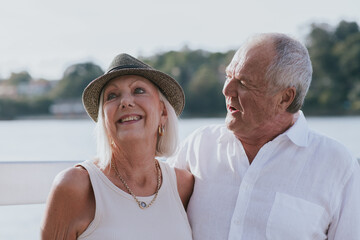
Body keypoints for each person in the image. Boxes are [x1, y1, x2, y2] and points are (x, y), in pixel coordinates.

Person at [169, 33, 360, 239]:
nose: (227, 90)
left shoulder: (338, 166)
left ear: (285, 98)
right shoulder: (198, 147)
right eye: (228, 76)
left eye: (243, 82)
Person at [41, 53, 194, 239]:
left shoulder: (182, 185)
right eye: (112, 95)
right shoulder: (75, 186)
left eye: (138, 90)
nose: (125, 102)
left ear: (163, 112)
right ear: (104, 118)